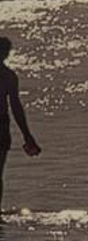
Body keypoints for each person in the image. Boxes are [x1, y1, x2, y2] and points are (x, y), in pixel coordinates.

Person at [1, 36, 43, 215]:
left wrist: (27, 134)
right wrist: (27, 135)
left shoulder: (9, 76)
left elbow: (16, 107)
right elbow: (16, 107)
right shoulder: (9, 76)